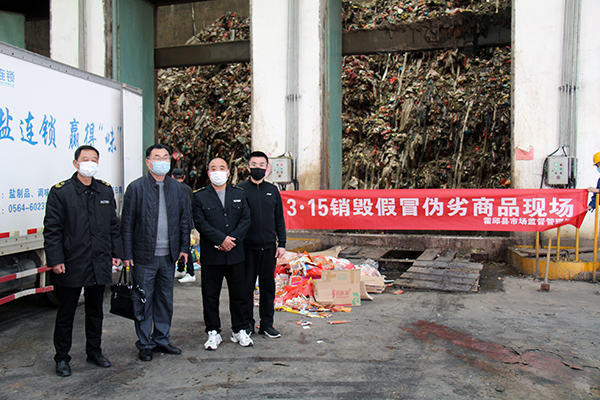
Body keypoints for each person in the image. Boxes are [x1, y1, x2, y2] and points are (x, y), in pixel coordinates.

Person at [43, 145, 122, 377]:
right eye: (85, 159)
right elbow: (52, 229)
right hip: (72, 262)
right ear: (75, 163)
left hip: (99, 261)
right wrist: (56, 259)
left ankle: (94, 352)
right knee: (66, 312)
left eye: (94, 159)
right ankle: (62, 358)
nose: (90, 163)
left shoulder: (104, 190)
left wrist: (116, 252)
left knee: (95, 310)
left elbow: (113, 226)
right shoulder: (61, 192)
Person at [120, 144, 190, 362]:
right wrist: (127, 254)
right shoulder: (136, 188)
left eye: (165, 157)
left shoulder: (177, 188)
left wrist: (184, 248)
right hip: (143, 257)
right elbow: (127, 224)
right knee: (143, 301)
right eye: (157, 157)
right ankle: (145, 343)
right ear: (148, 162)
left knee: (165, 300)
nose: (162, 161)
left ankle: (162, 339)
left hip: (168, 257)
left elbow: (184, 221)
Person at [192, 157, 252, 350]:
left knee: (239, 295)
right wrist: (220, 240)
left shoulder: (239, 194)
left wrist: (231, 240)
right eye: (213, 168)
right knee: (210, 296)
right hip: (212, 255)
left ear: (228, 172)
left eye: (221, 168)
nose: (217, 171)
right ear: (208, 173)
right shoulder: (199, 197)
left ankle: (239, 329)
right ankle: (213, 332)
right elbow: (200, 223)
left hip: (235, 254)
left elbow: (246, 219)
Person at [237, 151, 287, 339]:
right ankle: (247, 324)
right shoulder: (239, 190)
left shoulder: (272, 190)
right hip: (246, 249)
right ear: (248, 167)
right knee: (245, 289)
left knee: (268, 288)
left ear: (267, 168)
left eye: (261, 165)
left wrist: (281, 243)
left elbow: (279, 218)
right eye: (254, 165)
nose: (258, 168)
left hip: (269, 249)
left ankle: (267, 324)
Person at [172, 168, 196, 283]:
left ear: (172, 177)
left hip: (179, 222)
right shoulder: (188, 189)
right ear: (184, 177)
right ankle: (181, 269)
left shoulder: (173, 188)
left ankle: (190, 272)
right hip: (187, 222)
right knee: (184, 246)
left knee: (185, 247)